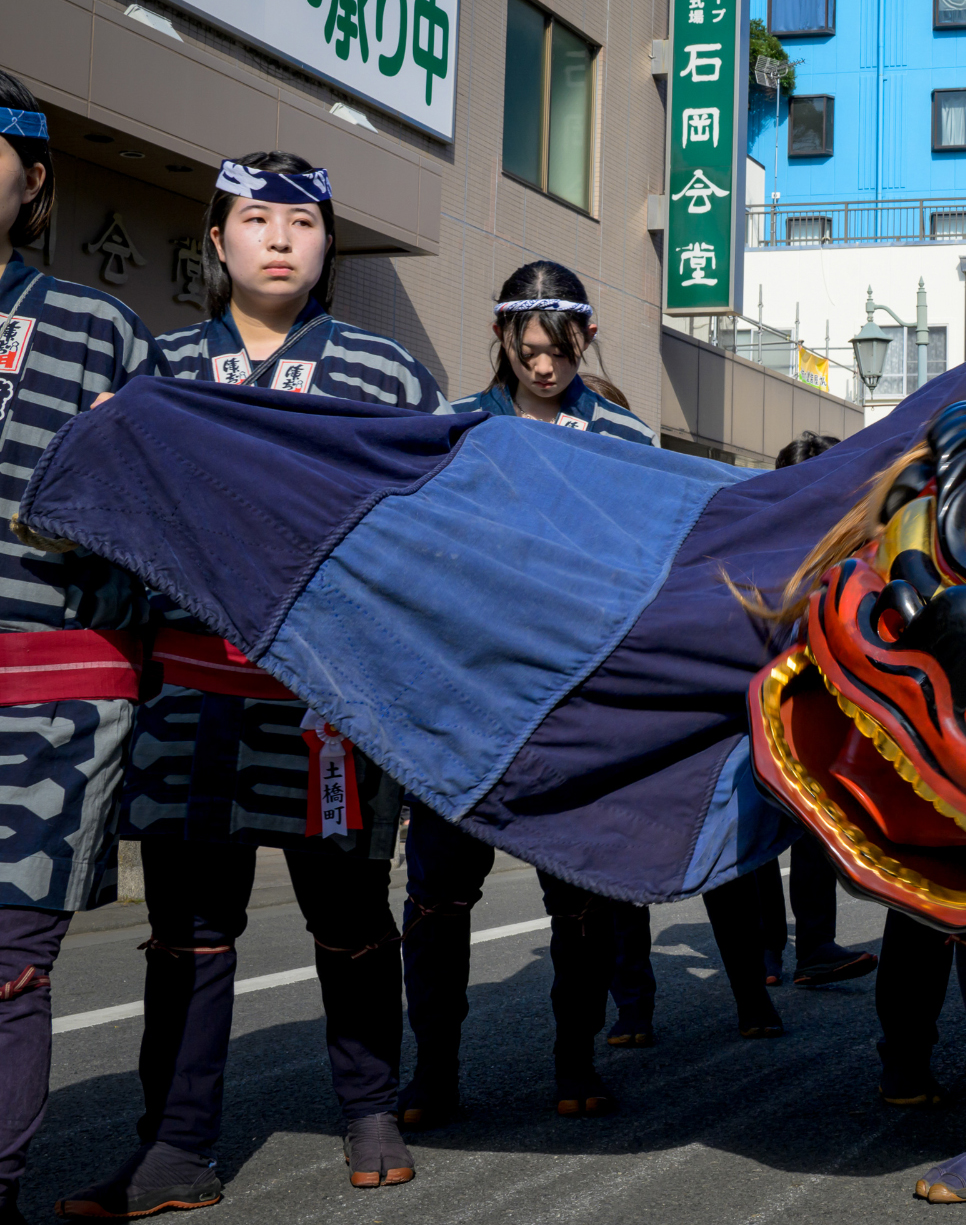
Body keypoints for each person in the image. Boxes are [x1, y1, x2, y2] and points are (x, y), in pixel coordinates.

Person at [59, 153, 451, 1218]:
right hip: (189, 695)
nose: (280, 239)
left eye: (303, 223)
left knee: (350, 913)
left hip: (330, 697)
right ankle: (175, 1145)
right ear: (216, 240)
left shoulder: (384, 373)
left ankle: (369, 1110)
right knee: (187, 929)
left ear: (329, 245)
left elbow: (431, 523)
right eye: (256, 220)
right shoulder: (161, 367)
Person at [399, 261, 666, 1127]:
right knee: (438, 898)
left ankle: (576, 1059)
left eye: (561, 350)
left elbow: (651, 563)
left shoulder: (626, 437)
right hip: (463, 698)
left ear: (587, 338)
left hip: (576, 700)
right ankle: (434, 1070)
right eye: (528, 351)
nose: (545, 366)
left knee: (580, 901)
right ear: (501, 338)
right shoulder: (455, 427)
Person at [0, 73, 162, 1225]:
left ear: (34, 181)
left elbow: (171, 522)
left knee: (8, 960)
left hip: (46, 688)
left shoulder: (102, 332)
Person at [758, 433, 878, 990]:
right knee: (765, 828)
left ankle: (807, 948)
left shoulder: (847, 539)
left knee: (809, 825)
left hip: (818, 697)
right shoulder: (768, 538)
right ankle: (772, 950)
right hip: (770, 696)